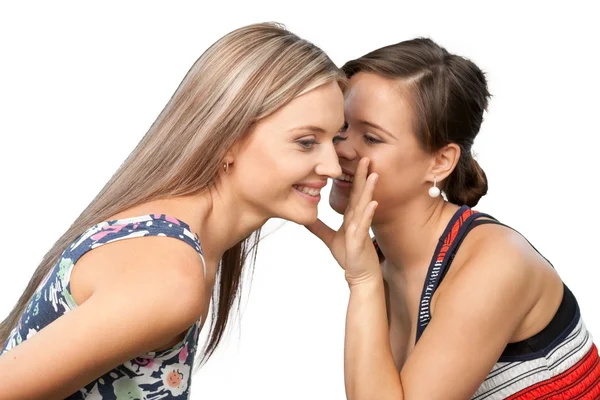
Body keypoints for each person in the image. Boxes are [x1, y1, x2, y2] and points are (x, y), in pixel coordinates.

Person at [0, 22, 348, 399]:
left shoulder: (176, 243)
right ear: (227, 139)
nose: (333, 166)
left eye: (337, 138)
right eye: (306, 142)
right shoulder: (169, 276)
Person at [308, 38, 600, 399]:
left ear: (440, 162)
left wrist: (362, 279)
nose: (341, 148)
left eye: (371, 137)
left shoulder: (494, 264)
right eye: (341, 126)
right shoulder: (381, 259)